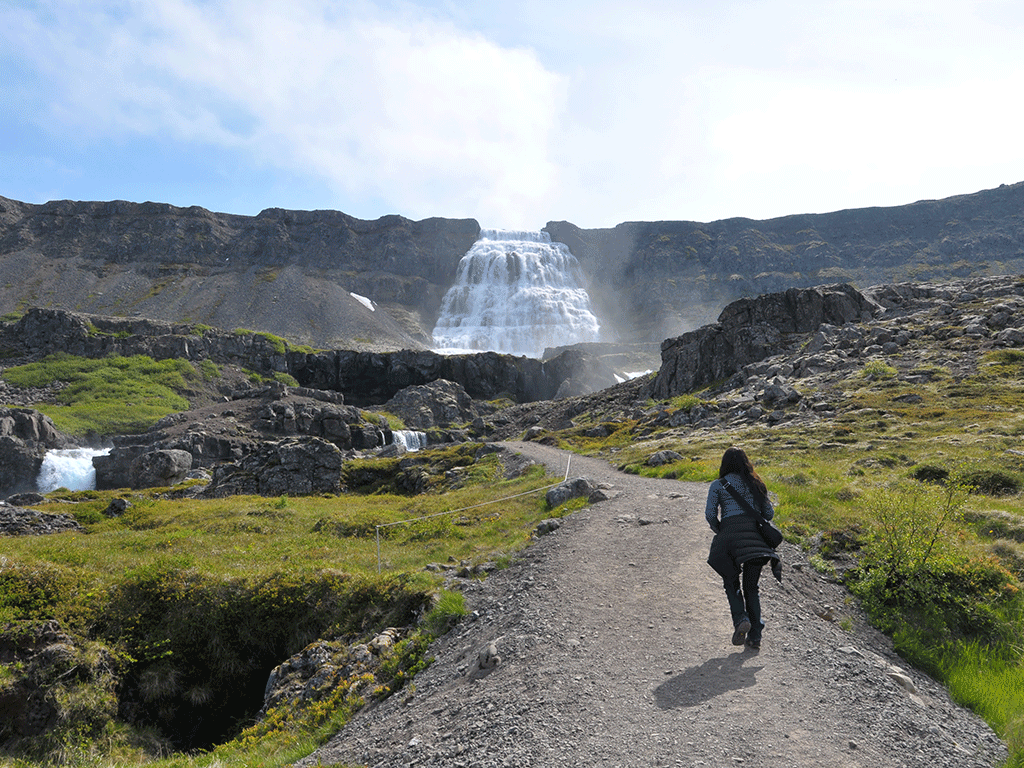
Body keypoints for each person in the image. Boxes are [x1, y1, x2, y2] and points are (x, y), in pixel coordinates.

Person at [704, 447, 781, 650]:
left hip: (729, 539)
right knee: (751, 587)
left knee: (731, 581)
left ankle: (740, 619)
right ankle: (755, 636)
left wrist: (721, 529)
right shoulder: (757, 483)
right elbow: (769, 514)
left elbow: (710, 515)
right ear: (747, 463)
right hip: (756, 540)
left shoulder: (718, 485)